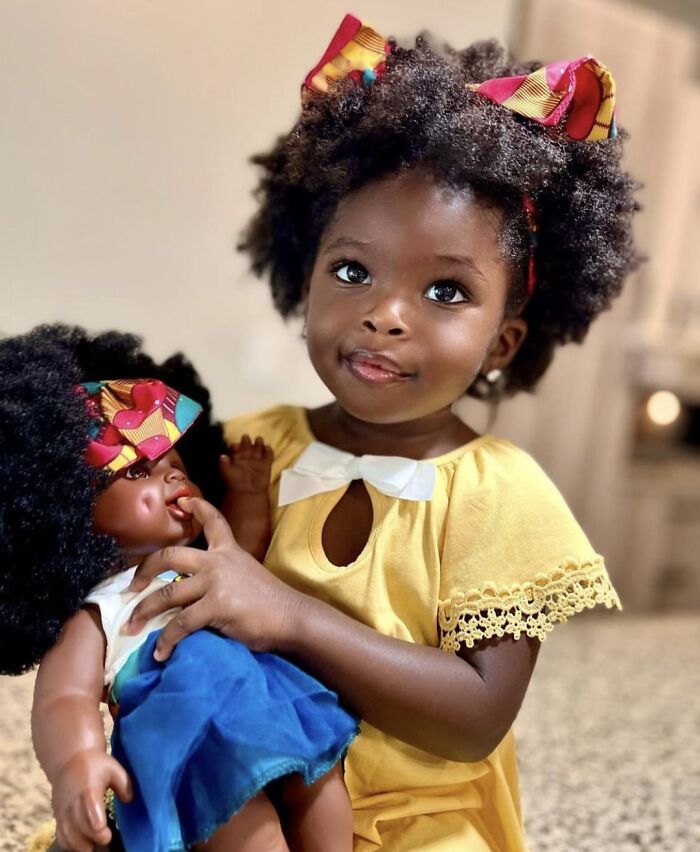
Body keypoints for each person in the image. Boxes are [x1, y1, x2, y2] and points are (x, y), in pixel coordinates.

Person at [113, 15, 639, 850]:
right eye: (352, 271)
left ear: (504, 340)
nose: (385, 315)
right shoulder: (254, 445)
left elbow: (476, 718)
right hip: (237, 804)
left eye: (445, 292)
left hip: (414, 827)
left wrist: (289, 615)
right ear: (306, 275)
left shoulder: (499, 492)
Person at [1, 325, 357, 852]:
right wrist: (77, 761)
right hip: (192, 741)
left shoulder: (200, 562)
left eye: (175, 465)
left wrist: (250, 495)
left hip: (266, 698)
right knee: (245, 826)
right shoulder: (99, 611)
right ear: (70, 509)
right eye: (141, 470)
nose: (171, 477)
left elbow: (244, 556)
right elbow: (64, 699)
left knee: (320, 789)